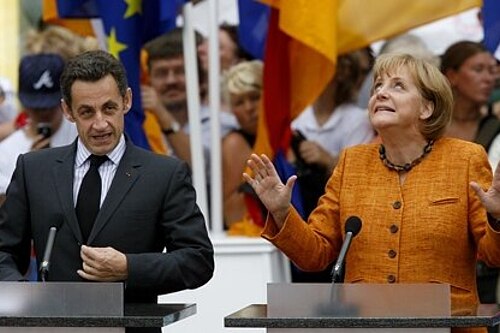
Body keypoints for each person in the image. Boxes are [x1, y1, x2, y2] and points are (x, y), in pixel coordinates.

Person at [243, 53, 500, 333]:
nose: (381, 93)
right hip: (366, 325)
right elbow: (314, 254)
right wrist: (282, 212)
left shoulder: (465, 159)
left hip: (448, 326)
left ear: (427, 107)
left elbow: (493, 255)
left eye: (397, 86)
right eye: (377, 86)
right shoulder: (352, 163)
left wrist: (497, 216)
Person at [0, 50, 214, 333]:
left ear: (126, 100)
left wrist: (128, 267)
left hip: (130, 326)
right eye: (87, 112)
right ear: (68, 111)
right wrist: (24, 298)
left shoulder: (164, 175)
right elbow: (4, 252)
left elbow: (197, 260)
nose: (100, 124)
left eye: (109, 108)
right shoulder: (34, 169)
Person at [441, 41, 499, 320]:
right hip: (440, 257)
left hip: (486, 263)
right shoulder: (425, 132)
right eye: (479, 69)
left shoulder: (496, 128)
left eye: (493, 70)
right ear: (451, 76)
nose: (490, 78)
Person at [0, 53, 77, 204]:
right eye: (36, 108)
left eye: (49, 107)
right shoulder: (5, 152)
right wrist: (29, 173)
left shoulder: (82, 135)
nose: (43, 113)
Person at [221, 60, 264, 234]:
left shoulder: (295, 137)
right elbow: (233, 215)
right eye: (239, 102)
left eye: (254, 97)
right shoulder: (235, 143)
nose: (249, 107)